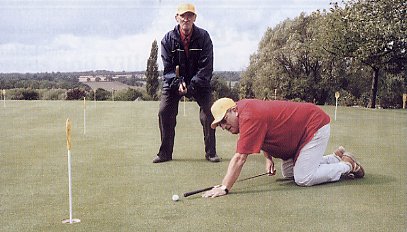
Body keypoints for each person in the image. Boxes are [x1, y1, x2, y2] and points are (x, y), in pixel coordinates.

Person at [202, 98, 365, 198]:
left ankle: (347, 165)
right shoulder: (244, 111)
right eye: (220, 124)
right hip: (299, 136)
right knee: (288, 173)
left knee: (303, 178)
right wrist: (268, 158)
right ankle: (334, 158)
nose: (223, 126)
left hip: (314, 125)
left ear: (234, 110)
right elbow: (264, 131)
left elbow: (239, 158)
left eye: (224, 120)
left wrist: (224, 187)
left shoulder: (248, 116)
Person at [153, 3, 220, 163]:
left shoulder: (204, 37)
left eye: (190, 15)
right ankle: (165, 154)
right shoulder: (167, 39)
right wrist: (178, 83)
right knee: (164, 111)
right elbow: (168, 69)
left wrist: (191, 85)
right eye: (183, 15)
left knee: (209, 112)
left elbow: (206, 67)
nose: (186, 19)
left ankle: (211, 153)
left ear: (195, 18)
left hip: (199, 82)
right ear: (177, 18)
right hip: (174, 83)